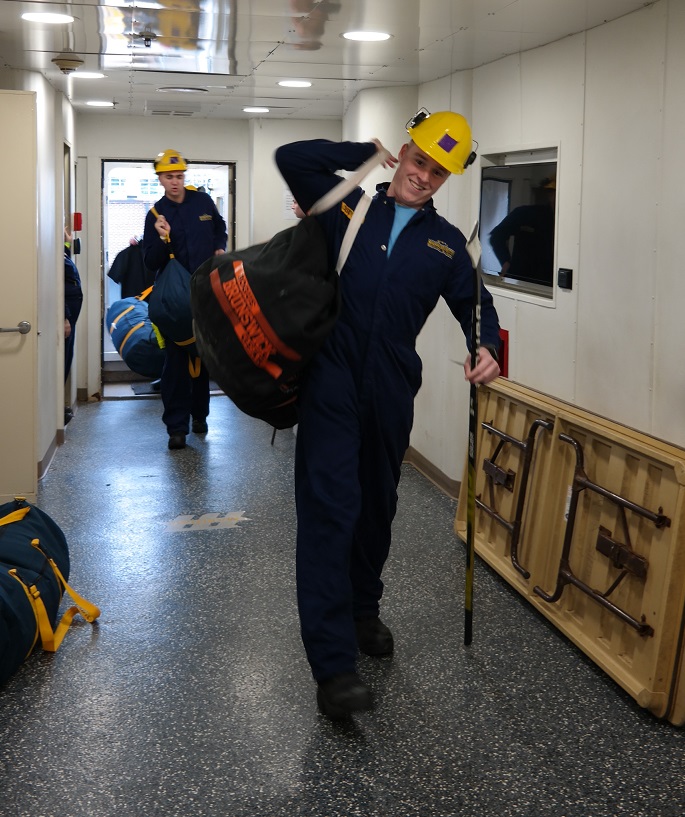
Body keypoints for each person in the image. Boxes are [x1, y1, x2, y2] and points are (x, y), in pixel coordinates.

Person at [275, 110, 501, 718]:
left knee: (377, 504)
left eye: (439, 171)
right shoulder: (345, 207)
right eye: (419, 161)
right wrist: (360, 152)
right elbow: (293, 156)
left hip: (392, 388)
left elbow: (476, 306)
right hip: (330, 381)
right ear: (403, 154)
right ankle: (332, 667)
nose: (424, 177)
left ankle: (361, 609)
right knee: (330, 510)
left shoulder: (447, 244)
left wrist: (488, 348)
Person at [143, 149, 227, 450]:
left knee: (203, 356)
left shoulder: (202, 202)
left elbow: (220, 228)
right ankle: (176, 428)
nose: (175, 182)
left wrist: (219, 247)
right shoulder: (155, 214)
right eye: (169, 177)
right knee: (176, 364)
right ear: (160, 179)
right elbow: (150, 262)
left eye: (179, 176)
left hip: (206, 294)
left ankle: (200, 415)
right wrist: (163, 239)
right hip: (175, 302)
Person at [489, 178, 556, 285]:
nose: (555, 197)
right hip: (521, 279)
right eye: (553, 193)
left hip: (551, 283)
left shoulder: (569, 222)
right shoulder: (526, 213)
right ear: (549, 194)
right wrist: (505, 261)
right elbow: (496, 236)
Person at [64, 231, 83, 425]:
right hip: (67, 317)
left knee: (66, 360)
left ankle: (58, 406)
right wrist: (64, 316)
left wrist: (68, 242)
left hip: (71, 316)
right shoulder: (51, 256)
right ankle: (56, 410)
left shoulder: (60, 252)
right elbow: (57, 286)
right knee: (62, 362)